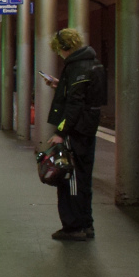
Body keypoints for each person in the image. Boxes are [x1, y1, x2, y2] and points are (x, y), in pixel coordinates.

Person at [41, 27, 102, 240]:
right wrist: (59, 85)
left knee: (70, 178)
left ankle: (74, 227)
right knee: (83, 178)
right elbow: (83, 95)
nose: (59, 54)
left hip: (76, 130)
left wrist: (61, 131)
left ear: (65, 47)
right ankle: (86, 224)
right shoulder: (91, 63)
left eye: (59, 50)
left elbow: (75, 104)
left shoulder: (76, 67)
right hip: (86, 128)